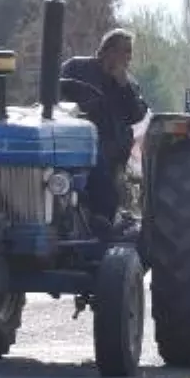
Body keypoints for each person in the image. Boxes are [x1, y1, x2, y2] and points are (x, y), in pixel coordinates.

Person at [58, 28, 148, 237]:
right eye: (123, 51)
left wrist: (123, 85)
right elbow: (56, 92)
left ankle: (102, 221)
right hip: (71, 137)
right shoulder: (76, 68)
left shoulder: (128, 84)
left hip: (109, 145)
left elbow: (137, 115)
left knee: (99, 164)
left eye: (129, 53)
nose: (128, 58)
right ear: (106, 51)